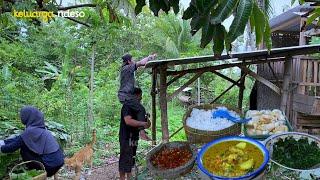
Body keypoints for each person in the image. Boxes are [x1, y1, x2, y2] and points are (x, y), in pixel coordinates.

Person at [0, 106, 64, 179]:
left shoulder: (30, 132)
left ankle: (37, 173)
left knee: (24, 148)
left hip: (48, 168)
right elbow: (19, 138)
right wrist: (4, 141)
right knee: (24, 142)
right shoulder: (43, 130)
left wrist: (1, 147)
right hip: (59, 163)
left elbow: (10, 148)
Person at [118, 53, 156, 141]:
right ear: (128, 61)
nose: (134, 61)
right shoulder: (128, 67)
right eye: (132, 59)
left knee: (139, 110)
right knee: (141, 109)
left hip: (126, 95)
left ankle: (141, 131)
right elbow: (141, 63)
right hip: (126, 96)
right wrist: (149, 57)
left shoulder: (126, 69)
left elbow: (140, 66)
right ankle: (142, 133)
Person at [119, 87, 151, 180]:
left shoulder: (139, 109)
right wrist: (142, 123)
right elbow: (128, 121)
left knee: (131, 158)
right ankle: (122, 178)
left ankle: (129, 178)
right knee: (125, 158)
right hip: (126, 137)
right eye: (140, 96)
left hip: (134, 137)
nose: (141, 98)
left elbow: (145, 125)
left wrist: (147, 122)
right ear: (136, 95)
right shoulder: (127, 106)